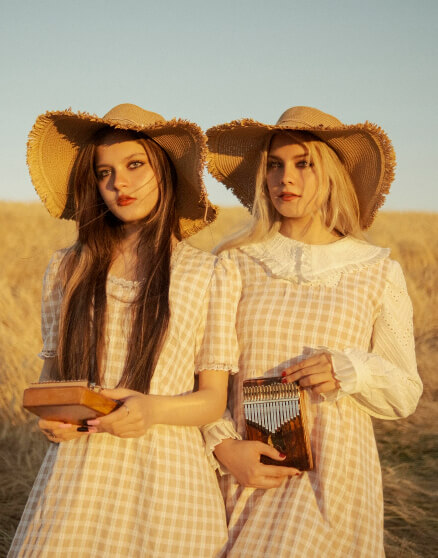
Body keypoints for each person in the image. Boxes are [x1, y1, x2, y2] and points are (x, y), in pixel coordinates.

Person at [9, 104, 240, 557]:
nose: (119, 183)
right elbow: (53, 381)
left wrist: (150, 409)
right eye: (105, 173)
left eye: (135, 165)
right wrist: (52, 419)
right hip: (77, 472)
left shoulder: (208, 273)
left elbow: (213, 400)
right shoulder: (68, 268)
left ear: (164, 172)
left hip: (169, 475)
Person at [202, 106, 422, 557]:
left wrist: (351, 369)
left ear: (332, 174)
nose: (286, 178)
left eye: (304, 164)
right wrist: (224, 447)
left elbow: (405, 393)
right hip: (249, 473)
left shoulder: (377, 270)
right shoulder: (235, 262)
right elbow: (200, 377)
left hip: (336, 477)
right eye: (275, 165)